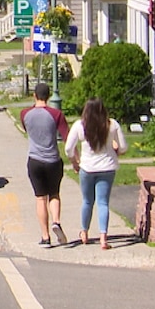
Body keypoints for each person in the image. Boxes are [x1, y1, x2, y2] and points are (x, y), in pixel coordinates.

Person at [65, 98, 128, 250]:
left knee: (87, 201)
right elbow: (124, 147)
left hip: (87, 168)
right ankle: (103, 238)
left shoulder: (80, 125)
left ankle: (84, 232)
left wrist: (75, 161)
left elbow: (68, 148)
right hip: (107, 168)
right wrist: (116, 150)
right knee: (103, 202)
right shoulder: (112, 124)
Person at [20, 83, 70, 247]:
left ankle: (45, 236)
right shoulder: (56, 114)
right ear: (49, 97)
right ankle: (56, 221)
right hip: (53, 161)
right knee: (54, 194)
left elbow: (27, 130)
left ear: (34, 95)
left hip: (34, 161)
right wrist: (75, 160)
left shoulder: (25, 114)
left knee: (40, 198)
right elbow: (66, 137)